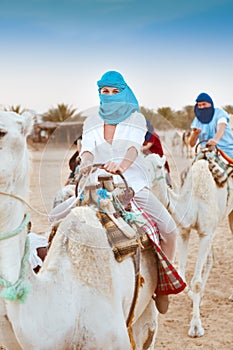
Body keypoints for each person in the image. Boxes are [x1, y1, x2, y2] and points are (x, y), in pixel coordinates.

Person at [79, 70, 179, 314]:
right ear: (99, 93)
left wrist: (121, 166)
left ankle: (162, 289)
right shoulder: (90, 122)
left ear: (124, 93)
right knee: (60, 220)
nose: (110, 96)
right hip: (95, 182)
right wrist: (85, 161)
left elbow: (133, 149)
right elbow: (87, 150)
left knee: (169, 229)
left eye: (115, 92)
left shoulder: (135, 118)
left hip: (131, 183)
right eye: (105, 92)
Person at [189, 92, 233, 158]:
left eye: (204, 104)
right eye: (199, 105)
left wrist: (215, 140)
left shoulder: (220, 113)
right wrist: (195, 134)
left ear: (210, 104)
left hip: (224, 152)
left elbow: (221, 126)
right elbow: (191, 144)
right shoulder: (197, 119)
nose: (202, 107)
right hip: (205, 152)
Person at [142, 119, 172, 187]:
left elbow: (147, 146)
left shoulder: (153, 135)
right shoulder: (144, 136)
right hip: (150, 159)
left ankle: (169, 185)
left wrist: (138, 149)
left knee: (164, 173)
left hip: (158, 158)